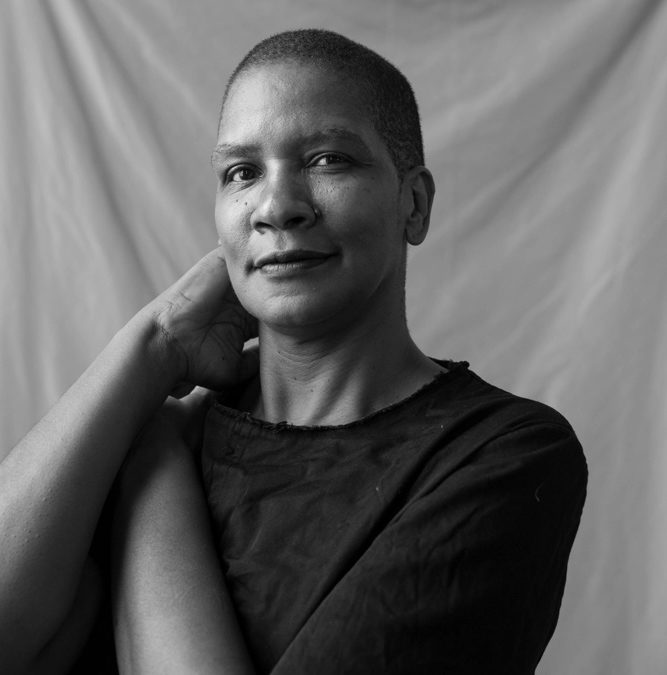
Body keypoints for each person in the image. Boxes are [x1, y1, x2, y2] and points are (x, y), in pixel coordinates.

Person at [0, 29, 587, 675]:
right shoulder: (126, 420)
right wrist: (157, 341)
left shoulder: (501, 453)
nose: (276, 206)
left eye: (328, 159)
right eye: (241, 172)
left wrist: (150, 466)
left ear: (412, 204)